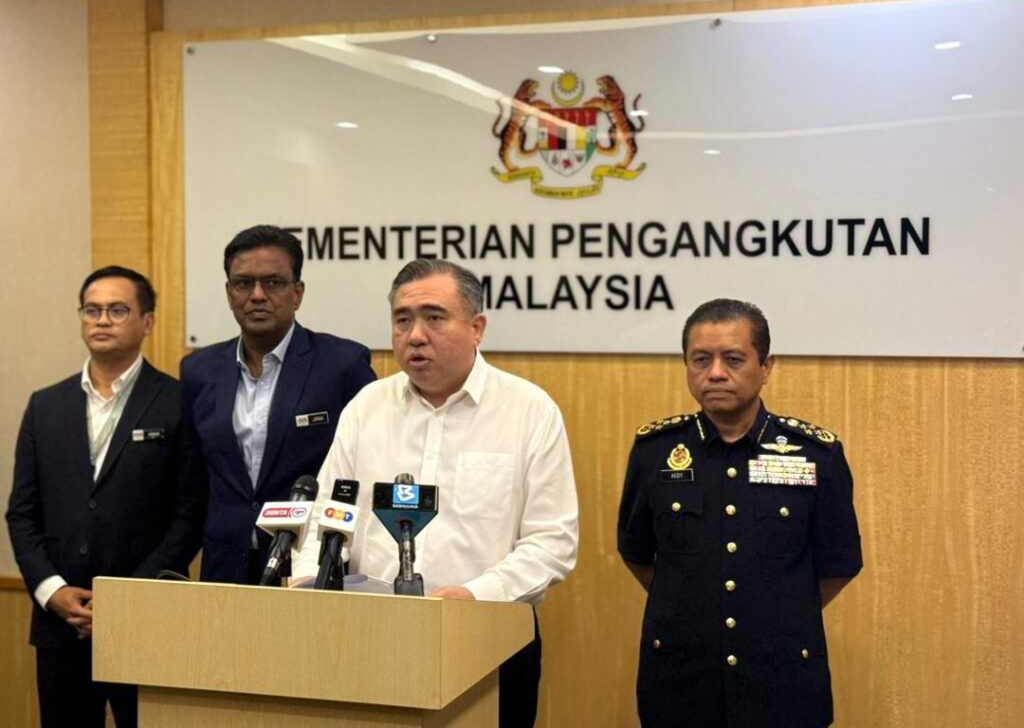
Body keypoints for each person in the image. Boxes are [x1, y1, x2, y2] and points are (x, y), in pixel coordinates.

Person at [293, 258, 578, 728]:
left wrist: (474, 596)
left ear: (476, 328)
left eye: (434, 318)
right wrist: (308, 579)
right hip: (370, 641)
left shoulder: (529, 411)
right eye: (402, 320)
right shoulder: (366, 408)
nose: (415, 335)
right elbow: (329, 517)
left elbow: (552, 543)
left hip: (488, 641)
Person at [617, 298, 862, 728]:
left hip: (781, 681)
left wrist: (772, 609)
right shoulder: (655, 452)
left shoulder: (814, 455)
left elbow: (839, 563)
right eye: (701, 360)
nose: (715, 373)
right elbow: (636, 551)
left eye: (733, 359)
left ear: (766, 366)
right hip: (681, 681)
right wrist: (695, 603)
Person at [6, 266, 205, 728]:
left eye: (117, 310)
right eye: (91, 310)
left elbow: (190, 514)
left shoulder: (178, 403)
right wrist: (51, 590)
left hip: (146, 621)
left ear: (147, 321)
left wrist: (125, 599)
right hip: (61, 625)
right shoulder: (45, 405)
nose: (101, 320)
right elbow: (22, 514)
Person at [180, 225, 375, 584]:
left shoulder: (342, 365)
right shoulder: (198, 370)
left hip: (312, 566)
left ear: (297, 293)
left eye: (273, 283)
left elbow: (364, 474)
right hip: (226, 566)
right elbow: (193, 482)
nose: (257, 295)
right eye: (243, 283)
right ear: (229, 293)